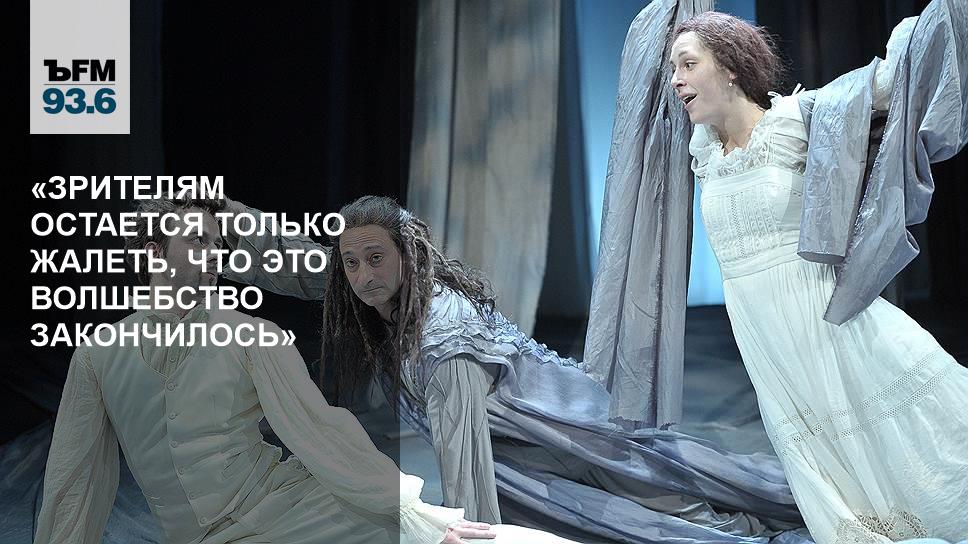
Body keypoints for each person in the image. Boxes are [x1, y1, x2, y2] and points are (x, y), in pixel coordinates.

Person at [222, 195, 808, 544]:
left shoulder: (441, 333)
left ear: (407, 253)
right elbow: (299, 264)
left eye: (375, 257)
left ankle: (788, 512)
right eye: (351, 262)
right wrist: (222, 220)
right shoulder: (379, 290)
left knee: (672, 501)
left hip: (568, 429)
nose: (362, 274)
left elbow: (461, 453)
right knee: (618, 516)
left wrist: (475, 534)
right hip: (524, 447)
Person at [32, 197, 499, 544]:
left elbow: (322, 430)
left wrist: (408, 513)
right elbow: (73, 479)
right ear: (156, 253)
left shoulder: (253, 334)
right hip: (198, 537)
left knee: (419, 535)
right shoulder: (96, 355)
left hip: (287, 510)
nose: (213, 253)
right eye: (198, 240)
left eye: (218, 243)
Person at [668, 10, 968, 543]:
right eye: (674, 69)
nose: (677, 80)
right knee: (824, 447)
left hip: (827, 316)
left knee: (914, 427)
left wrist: (937, 19)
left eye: (688, 65)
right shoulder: (703, 148)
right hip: (763, 332)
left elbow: (884, 83)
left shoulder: (794, 120)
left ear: (730, 67)